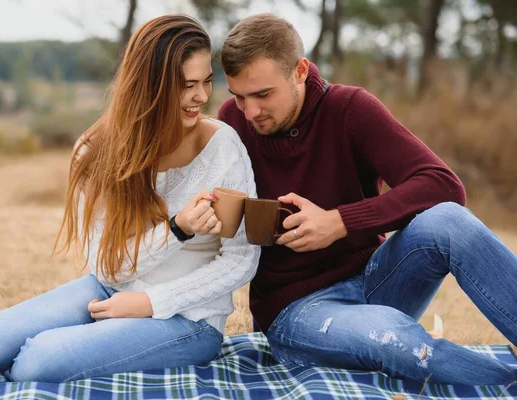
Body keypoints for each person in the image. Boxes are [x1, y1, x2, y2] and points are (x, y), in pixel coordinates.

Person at [0, 14, 259, 383]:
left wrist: (151, 304)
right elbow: (109, 267)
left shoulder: (223, 147)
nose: (202, 97)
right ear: (150, 87)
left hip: (190, 319)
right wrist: (177, 230)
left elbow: (242, 258)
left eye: (206, 82)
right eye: (186, 85)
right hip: (110, 288)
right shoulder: (96, 152)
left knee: (38, 362)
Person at [217, 13, 517, 385]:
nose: (250, 112)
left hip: (377, 279)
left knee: (449, 222)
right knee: (398, 339)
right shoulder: (230, 120)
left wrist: (340, 222)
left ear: (299, 71)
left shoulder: (349, 109)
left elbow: (442, 185)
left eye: (262, 94)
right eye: (239, 96)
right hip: (297, 311)